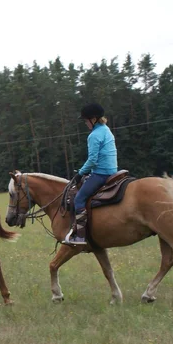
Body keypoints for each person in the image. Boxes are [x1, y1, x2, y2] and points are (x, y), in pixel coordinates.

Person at [63, 103, 118, 245]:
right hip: (113, 171)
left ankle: (80, 236)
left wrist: (80, 173)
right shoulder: (106, 130)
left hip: (101, 174)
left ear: (93, 119)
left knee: (79, 199)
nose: (85, 123)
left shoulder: (94, 135)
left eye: (86, 120)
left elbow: (93, 160)